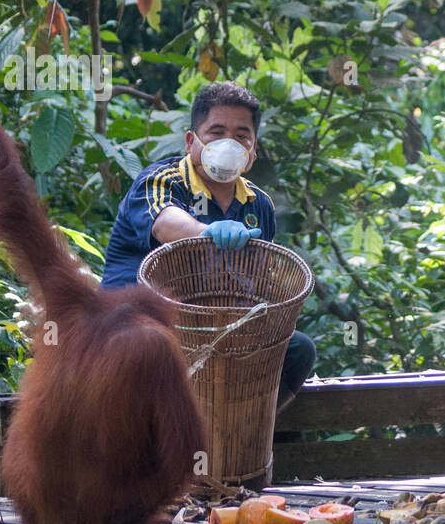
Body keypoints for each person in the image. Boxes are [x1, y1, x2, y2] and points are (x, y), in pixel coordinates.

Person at [102, 81, 315, 413]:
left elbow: (259, 284)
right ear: (192, 141)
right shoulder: (162, 179)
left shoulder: (259, 205)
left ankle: (240, 426)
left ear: (253, 150)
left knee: (298, 349)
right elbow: (165, 221)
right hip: (139, 325)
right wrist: (207, 231)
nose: (229, 142)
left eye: (241, 135)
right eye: (216, 132)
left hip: (214, 331)